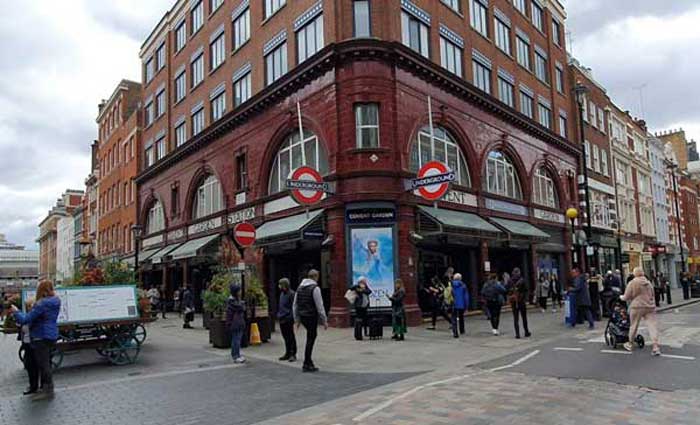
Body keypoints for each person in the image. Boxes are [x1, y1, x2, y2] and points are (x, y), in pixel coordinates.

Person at [10, 280, 61, 401]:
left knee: (43, 365)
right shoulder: (56, 301)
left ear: (41, 290)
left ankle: (48, 390)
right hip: (51, 335)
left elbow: (26, 319)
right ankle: (46, 388)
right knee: (46, 363)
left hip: (40, 336)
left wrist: (16, 311)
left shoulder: (41, 304)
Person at [621, 267, 661, 355]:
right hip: (649, 306)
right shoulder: (648, 283)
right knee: (652, 326)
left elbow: (626, 296)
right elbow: (653, 294)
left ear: (635, 274)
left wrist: (621, 297)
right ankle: (655, 346)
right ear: (642, 273)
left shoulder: (632, 283)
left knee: (634, 325)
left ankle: (630, 344)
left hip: (637, 306)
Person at [293, 269, 327, 372]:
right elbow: (319, 305)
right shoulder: (315, 288)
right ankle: (307, 362)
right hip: (311, 316)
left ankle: (308, 361)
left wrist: (297, 319)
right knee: (311, 338)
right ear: (316, 277)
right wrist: (324, 320)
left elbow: (295, 305)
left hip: (303, 316)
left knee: (310, 337)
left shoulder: (299, 288)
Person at [18, 298, 39, 396]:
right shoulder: (26, 317)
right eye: (27, 306)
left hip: (34, 344)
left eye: (30, 306)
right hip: (27, 344)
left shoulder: (34, 317)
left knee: (34, 365)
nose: (29, 308)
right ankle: (33, 385)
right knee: (29, 365)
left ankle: (35, 386)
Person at [506, 268, 531, 339]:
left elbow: (507, 290)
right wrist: (524, 297)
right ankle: (526, 332)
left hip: (514, 301)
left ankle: (517, 334)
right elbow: (526, 290)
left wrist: (511, 295)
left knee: (515, 318)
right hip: (521, 301)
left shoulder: (510, 281)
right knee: (524, 317)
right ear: (519, 272)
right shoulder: (522, 280)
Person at [277, 278, 297, 361]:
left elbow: (294, 307)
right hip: (282, 317)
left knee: (290, 336)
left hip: (288, 318)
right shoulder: (282, 294)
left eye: (280, 284)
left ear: (285, 285)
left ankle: (293, 353)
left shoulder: (292, 294)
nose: (279, 286)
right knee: (285, 337)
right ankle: (287, 352)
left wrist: (292, 317)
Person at [226, 284, 247, 363]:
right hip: (235, 324)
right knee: (236, 340)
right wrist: (242, 304)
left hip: (237, 323)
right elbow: (242, 307)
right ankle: (235, 356)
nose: (240, 292)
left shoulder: (234, 300)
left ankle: (237, 355)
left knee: (236, 339)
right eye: (239, 291)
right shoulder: (233, 301)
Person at [450, 273, 468, 338]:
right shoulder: (463, 285)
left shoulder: (451, 284)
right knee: (461, 317)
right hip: (461, 304)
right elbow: (466, 296)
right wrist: (466, 305)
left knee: (454, 318)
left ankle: (455, 332)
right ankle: (462, 330)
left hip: (454, 303)